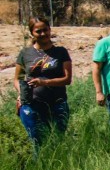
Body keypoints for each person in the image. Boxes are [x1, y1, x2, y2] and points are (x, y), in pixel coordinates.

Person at [14, 17, 72, 145]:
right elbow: (18, 78)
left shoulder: (61, 52)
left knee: (58, 143)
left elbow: (67, 79)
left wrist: (44, 82)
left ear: (50, 29)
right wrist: (21, 94)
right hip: (32, 105)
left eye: (45, 30)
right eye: (38, 31)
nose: (43, 34)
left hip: (57, 104)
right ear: (32, 33)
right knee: (38, 144)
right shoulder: (25, 53)